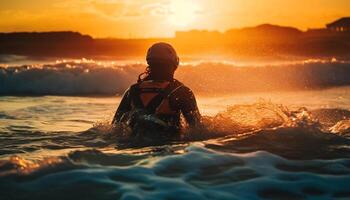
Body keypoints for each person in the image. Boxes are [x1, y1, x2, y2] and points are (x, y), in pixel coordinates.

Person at [112, 42, 201, 138]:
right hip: (166, 145)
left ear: (149, 64)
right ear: (174, 65)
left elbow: (115, 127)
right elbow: (198, 129)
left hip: (135, 148)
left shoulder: (132, 90)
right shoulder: (181, 92)